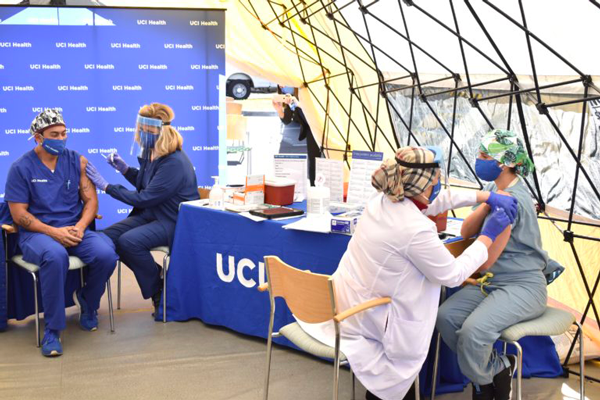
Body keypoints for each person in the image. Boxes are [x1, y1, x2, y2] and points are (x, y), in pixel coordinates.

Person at [297, 146, 518, 400]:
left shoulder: (382, 201)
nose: (437, 187)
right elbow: (453, 274)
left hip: (348, 304)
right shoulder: (414, 229)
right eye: (435, 182)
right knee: (391, 378)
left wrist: (484, 198)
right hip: (373, 319)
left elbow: (436, 201)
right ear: (422, 186)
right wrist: (489, 235)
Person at [436, 129, 547, 400]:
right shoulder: (494, 190)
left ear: (505, 162)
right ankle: (496, 369)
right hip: (495, 281)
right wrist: (486, 204)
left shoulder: (513, 201)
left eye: (484, 155)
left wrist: (494, 208)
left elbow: (487, 262)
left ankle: (486, 386)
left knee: (474, 332)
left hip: (523, 285)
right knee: (446, 317)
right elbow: (465, 230)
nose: (478, 159)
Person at [4, 108, 118, 357]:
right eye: (54, 134)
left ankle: (88, 301)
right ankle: (53, 330)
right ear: (38, 137)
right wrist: (54, 233)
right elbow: (18, 215)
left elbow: (90, 203)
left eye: (64, 133)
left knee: (107, 255)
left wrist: (79, 227)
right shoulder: (20, 168)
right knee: (56, 256)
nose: (61, 139)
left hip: (74, 229)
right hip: (38, 234)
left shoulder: (76, 161)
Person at [85, 103, 199, 317]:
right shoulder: (152, 153)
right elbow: (146, 183)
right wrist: (126, 170)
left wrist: (107, 187)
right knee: (107, 238)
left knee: (128, 242)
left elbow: (145, 197)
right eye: (141, 130)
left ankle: (158, 290)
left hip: (173, 220)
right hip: (152, 215)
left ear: (160, 130)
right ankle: (157, 280)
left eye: (146, 131)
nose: (142, 134)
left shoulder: (173, 162)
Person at [272, 86, 321, 186]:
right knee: (313, 159)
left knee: (326, 157)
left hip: (320, 124)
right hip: (310, 128)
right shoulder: (290, 97)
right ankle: (313, 186)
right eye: (279, 84)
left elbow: (312, 107)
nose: (282, 86)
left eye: (283, 82)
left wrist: (297, 103)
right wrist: (279, 109)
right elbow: (287, 119)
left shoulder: (303, 90)